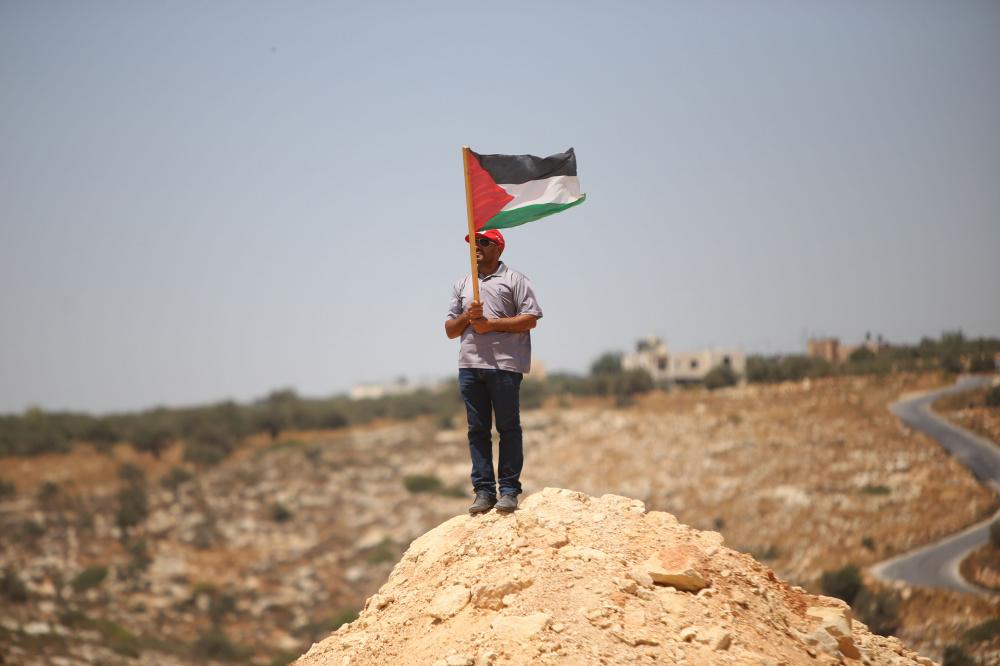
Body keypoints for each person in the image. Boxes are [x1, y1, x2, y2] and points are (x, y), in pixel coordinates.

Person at [445, 229, 542, 514]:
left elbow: (530, 319)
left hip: (504, 366)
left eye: (483, 242)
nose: (476, 247)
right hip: (470, 366)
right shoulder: (463, 284)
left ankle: (509, 490)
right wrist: (468, 316)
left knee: (508, 429)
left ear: (498, 249)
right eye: (473, 243)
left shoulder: (516, 280)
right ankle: (484, 491)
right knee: (477, 430)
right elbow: (450, 330)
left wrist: (491, 325)